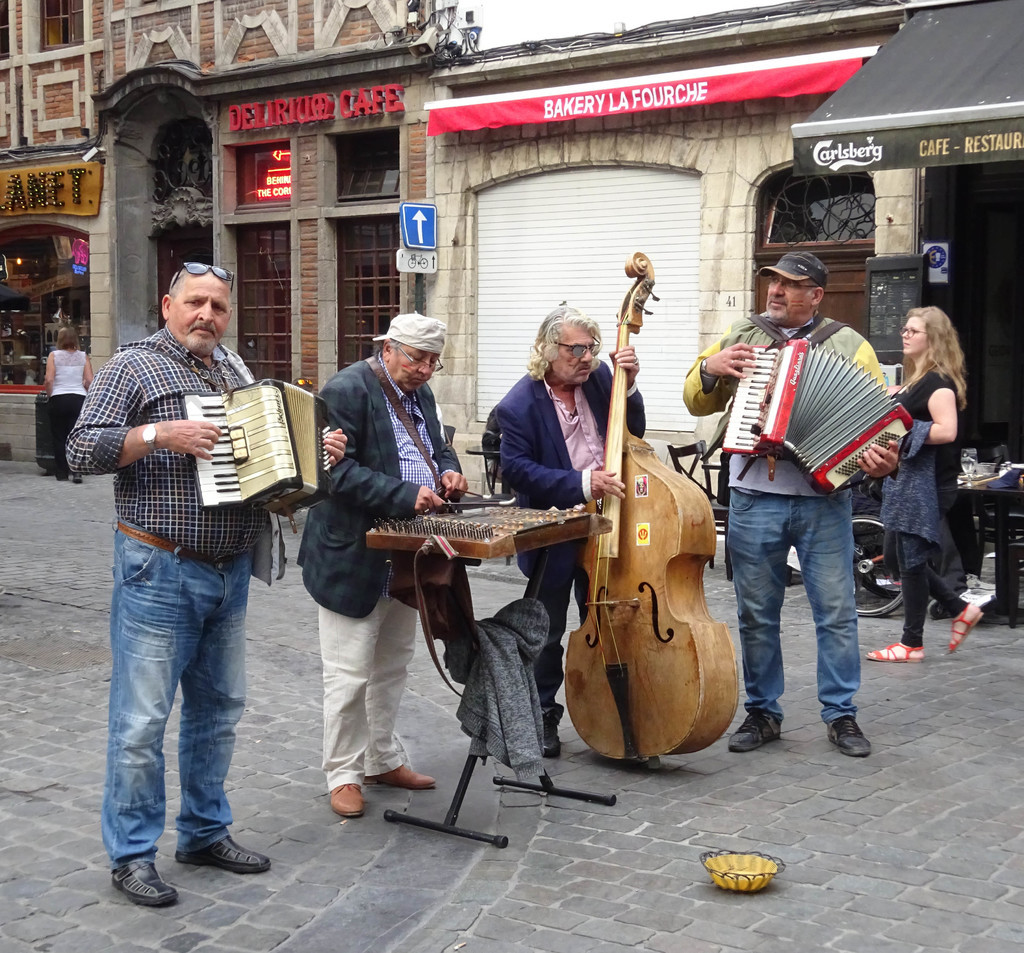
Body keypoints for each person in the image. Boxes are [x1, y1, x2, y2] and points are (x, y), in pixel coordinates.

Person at [66, 261, 346, 908]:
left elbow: (269, 479)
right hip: (156, 566)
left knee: (219, 712)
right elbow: (81, 447)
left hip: (229, 570)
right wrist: (161, 432)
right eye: (195, 302)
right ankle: (133, 853)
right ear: (169, 304)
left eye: (218, 307)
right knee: (140, 721)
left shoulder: (238, 373)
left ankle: (203, 830)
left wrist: (313, 460)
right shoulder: (133, 365)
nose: (207, 317)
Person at [683, 251, 898, 759]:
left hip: (825, 502)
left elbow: (880, 423)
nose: (775, 292)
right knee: (757, 613)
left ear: (816, 296)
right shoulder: (743, 334)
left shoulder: (849, 346)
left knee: (838, 612)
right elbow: (696, 400)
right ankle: (763, 712)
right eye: (772, 282)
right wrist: (709, 369)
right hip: (755, 497)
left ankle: (841, 714)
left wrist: (883, 460)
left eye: (789, 285)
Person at [299, 312, 468, 820]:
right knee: (349, 672)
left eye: (434, 362)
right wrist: (403, 493)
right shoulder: (349, 389)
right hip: (353, 550)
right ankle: (343, 774)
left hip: (405, 550)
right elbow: (336, 469)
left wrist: (450, 470)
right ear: (389, 348)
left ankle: (381, 757)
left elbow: (437, 443)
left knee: (393, 662)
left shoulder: (422, 393)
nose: (425, 370)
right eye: (417, 358)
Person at [496, 305, 644, 758]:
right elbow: (517, 471)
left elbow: (632, 431)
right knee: (548, 629)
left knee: (608, 620)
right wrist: (582, 482)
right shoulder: (518, 404)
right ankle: (543, 716)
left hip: (609, 521)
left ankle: (614, 712)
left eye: (590, 348)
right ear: (547, 349)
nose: (585, 357)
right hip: (556, 529)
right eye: (574, 349)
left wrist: (629, 386)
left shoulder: (600, 380)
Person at [865, 307, 982, 662]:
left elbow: (947, 430)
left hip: (927, 485)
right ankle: (959, 606)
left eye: (913, 330)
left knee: (911, 561)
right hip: (906, 483)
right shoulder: (916, 381)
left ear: (933, 339)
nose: (904, 334)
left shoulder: (938, 382)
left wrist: (902, 431)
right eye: (905, 328)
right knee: (899, 562)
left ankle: (911, 643)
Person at [45, 326, 93, 483]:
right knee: (76, 436)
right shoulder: (83, 356)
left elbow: (49, 379)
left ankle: (61, 472)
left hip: (59, 397)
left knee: (59, 436)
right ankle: (77, 470)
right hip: (78, 398)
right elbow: (90, 380)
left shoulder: (54, 356)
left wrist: (50, 394)